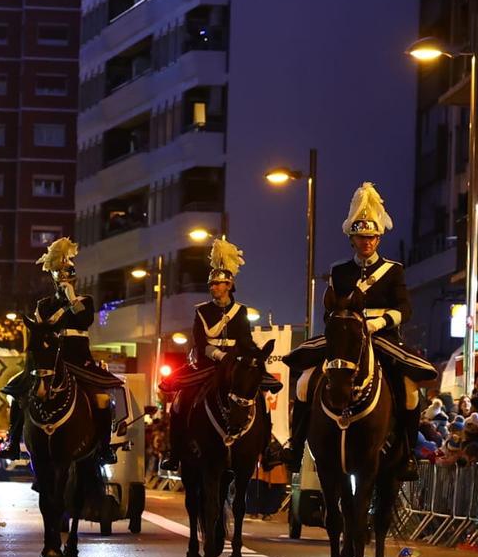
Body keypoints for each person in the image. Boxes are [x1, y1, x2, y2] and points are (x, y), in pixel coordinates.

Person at [285, 182, 434, 481]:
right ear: (352, 239)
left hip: (382, 338)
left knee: (408, 391)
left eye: (371, 237)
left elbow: (405, 308)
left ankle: (405, 453)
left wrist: (380, 322)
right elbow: (329, 310)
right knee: (303, 382)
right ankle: (295, 446)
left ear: (379, 238)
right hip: (345, 339)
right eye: (360, 237)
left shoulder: (393, 270)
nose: (366, 243)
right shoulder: (340, 271)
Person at [4, 238, 122, 464]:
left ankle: (104, 446)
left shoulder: (85, 301)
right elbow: (41, 331)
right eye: (59, 274)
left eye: (67, 275)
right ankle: (12, 439)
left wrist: (70, 299)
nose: (64, 279)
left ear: (74, 278)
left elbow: (84, 320)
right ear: (53, 277)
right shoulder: (44, 305)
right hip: (51, 360)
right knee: (18, 393)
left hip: (79, 360)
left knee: (101, 398)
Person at [162, 238, 260, 470]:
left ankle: (267, 445)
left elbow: (245, 340)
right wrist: (219, 356)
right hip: (207, 364)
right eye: (212, 284)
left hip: (235, 364)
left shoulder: (241, 311)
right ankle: (175, 452)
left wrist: (253, 356)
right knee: (179, 402)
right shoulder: (202, 311)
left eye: (219, 284)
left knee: (258, 392)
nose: (214, 287)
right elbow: (200, 341)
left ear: (229, 285)